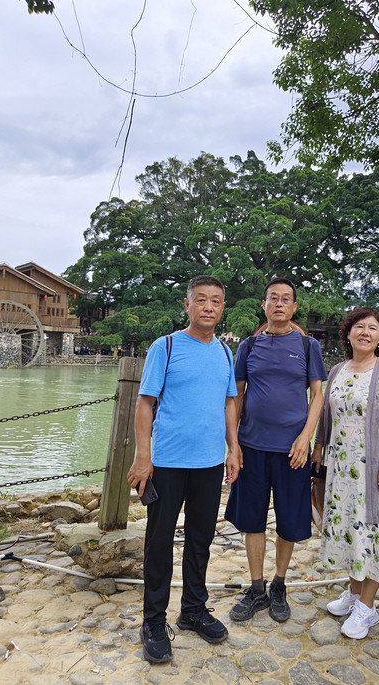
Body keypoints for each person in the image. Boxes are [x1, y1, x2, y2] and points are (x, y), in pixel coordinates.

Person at [127, 275, 241, 664]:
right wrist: (145, 457)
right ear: (188, 304)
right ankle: (153, 622)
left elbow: (229, 404)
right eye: (202, 300)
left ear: (222, 308)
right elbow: (144, 404)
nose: (209, 307)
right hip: (168, 463)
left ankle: (193, 609)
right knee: (159, 544)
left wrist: (233, 448)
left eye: (216, 301)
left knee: (200, 539)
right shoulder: (167, 346)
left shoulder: (226, 353)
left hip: (209, 464)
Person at [226, 278, 327, 622]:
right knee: (251, 520)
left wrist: (306, 437)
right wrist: (233, 444)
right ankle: (257, 588)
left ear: (294, 307)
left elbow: (318, 395)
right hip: (252, 447)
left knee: (289, 519)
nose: (279, 304)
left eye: (286, 299)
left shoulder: (308, 345)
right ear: (264, 304)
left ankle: (279, 584)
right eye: (273, 299)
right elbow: (236, 396)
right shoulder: (249, 346)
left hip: (293, 451)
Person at [313, 308, 379, 639]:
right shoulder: (337, 369)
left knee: (373, 534)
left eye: (373, 328)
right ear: (348, 334)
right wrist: (318, 450)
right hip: (341, 470)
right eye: (359, 327)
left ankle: (367, 609)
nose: (365, 332)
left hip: (374, 469)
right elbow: (326, 416)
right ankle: (354, 594)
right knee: (350, 533)